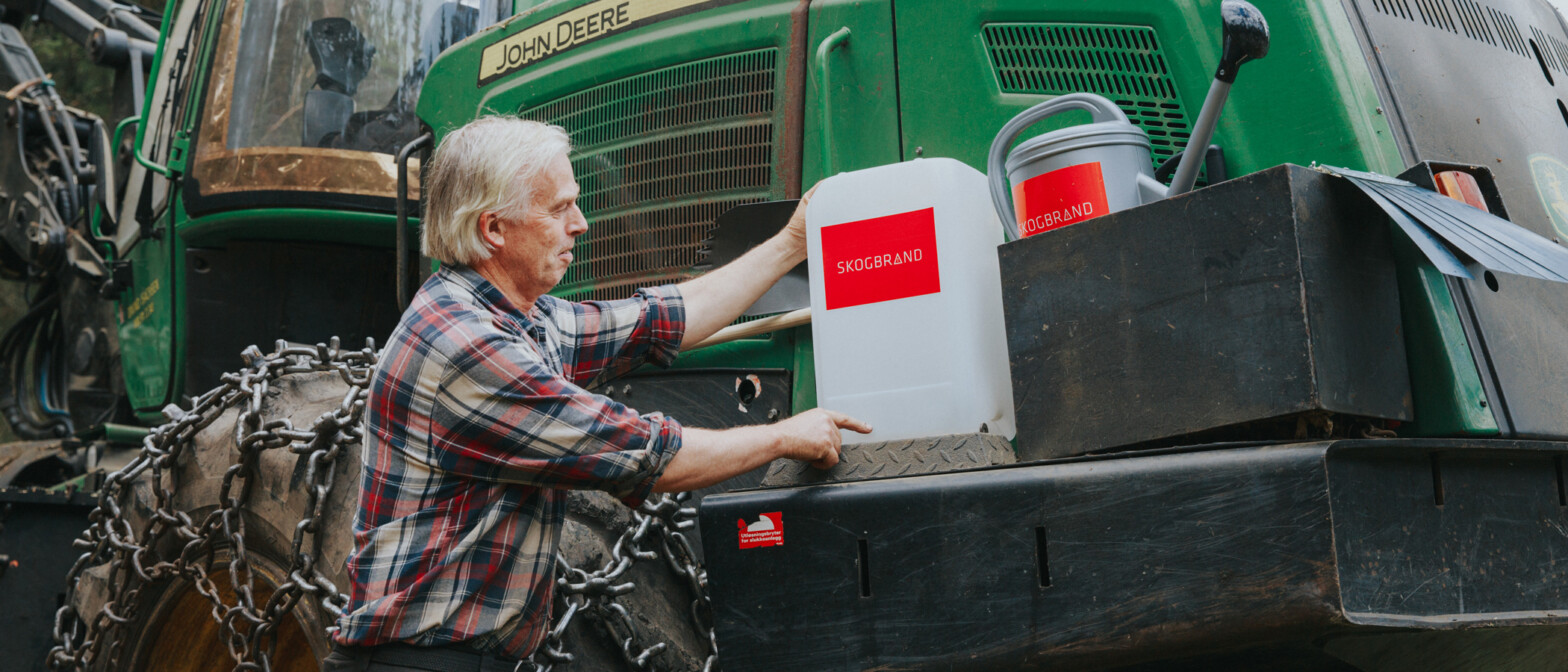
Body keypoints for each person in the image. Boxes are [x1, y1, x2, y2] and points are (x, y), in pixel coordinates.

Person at [325, 115, 871, 671]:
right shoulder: (467, 346)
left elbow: (663, 318)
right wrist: (785, 436)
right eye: (559, 208)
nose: (581, 224)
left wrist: (792, 242)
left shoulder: (522, 318)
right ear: (494, 229)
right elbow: (653, 456)